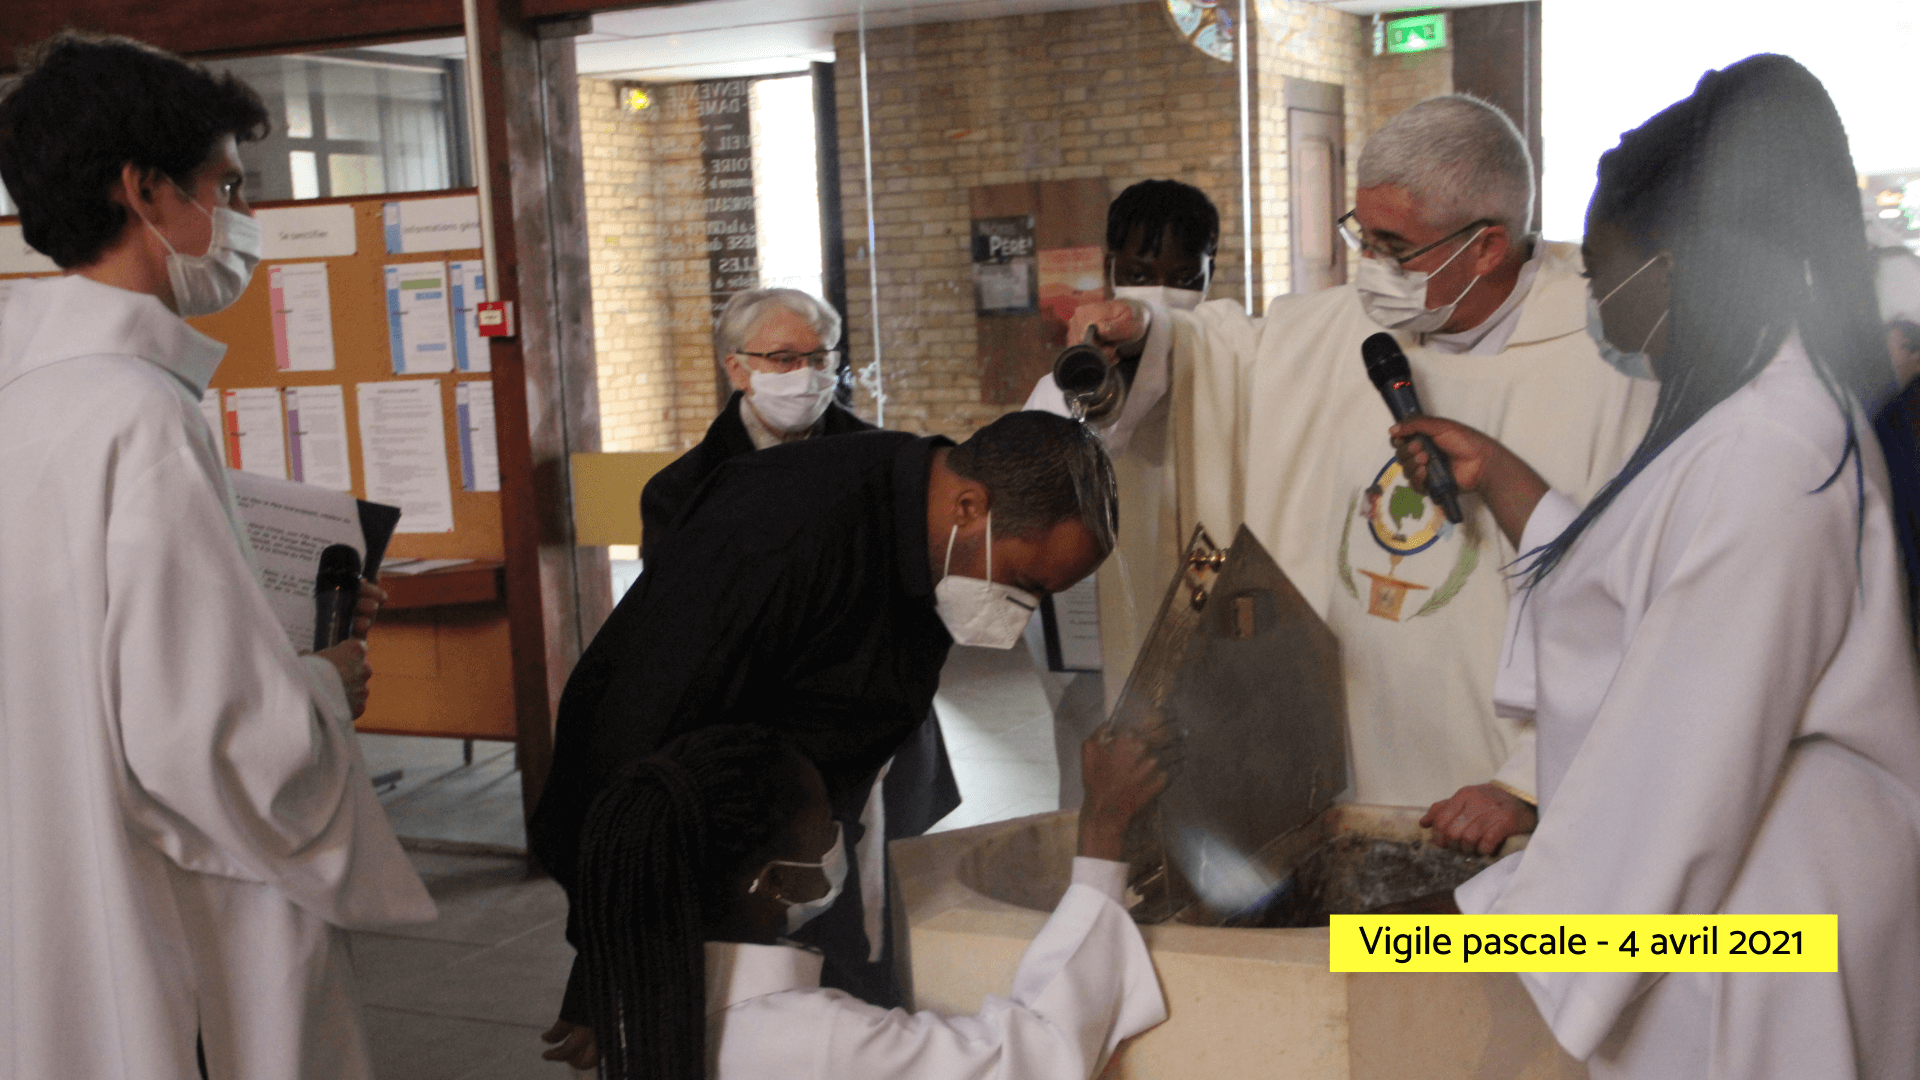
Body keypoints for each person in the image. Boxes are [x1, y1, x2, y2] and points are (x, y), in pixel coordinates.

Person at [1392, 55, 1920, 1078]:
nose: (1599, 311)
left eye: (1599, 278)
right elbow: (1661, 597)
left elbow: (1680, 760)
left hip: (1768, 927)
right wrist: (1508, 482)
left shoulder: (1772, 448)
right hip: (1751, 895)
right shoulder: (1751, 417)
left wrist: (1455, 932)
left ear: (1668, 270)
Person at [0, 33, 434, 1080]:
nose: (245, 219)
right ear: (146, 193)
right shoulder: (138, 415)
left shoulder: (28, 400)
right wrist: (320, 685)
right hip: (175, 903)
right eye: (228, 185)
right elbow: (204, 741)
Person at [1064, 97, 1657, 852]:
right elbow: (1221, 371)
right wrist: (1149, 337)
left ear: (1486, 248)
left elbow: (1646, 604)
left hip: (1502, 793)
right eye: (1361, 236)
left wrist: (1530, 781)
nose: (1369, 269)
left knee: (1473, 968)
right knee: (1346, 957)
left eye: (1394, 247)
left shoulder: (1615, 359)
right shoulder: (1329, 330)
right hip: (1331, 771)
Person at [531, 410, 1119, 1062]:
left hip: (807, 846)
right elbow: (625, 726)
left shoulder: (931, 537)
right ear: (969, 505)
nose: (1023, 607)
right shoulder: (778, 531)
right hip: (712, 852)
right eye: (1027, 581)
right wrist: (606, 957)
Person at [573, 721, 1168, 1080]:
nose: (840, 841)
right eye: (824, 832)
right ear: (775, 883)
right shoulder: (814, 1038)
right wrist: (1101, 834)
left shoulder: (642, 1011)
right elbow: (1032, 1060)